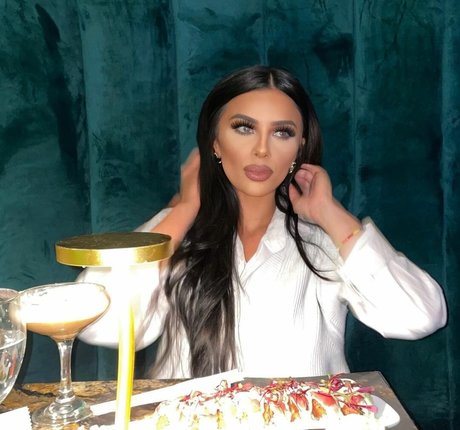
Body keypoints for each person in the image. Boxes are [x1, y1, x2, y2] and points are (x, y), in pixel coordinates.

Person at [78, 65, 447, 379]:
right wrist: (185, 209)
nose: (262, 149)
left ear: (299, 148)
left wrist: (330, 213)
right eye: (244, 128)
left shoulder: (325, 241)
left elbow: (420, 316)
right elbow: (97, 322)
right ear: (214, 143)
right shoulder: (175, 233)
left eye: (282, 132)